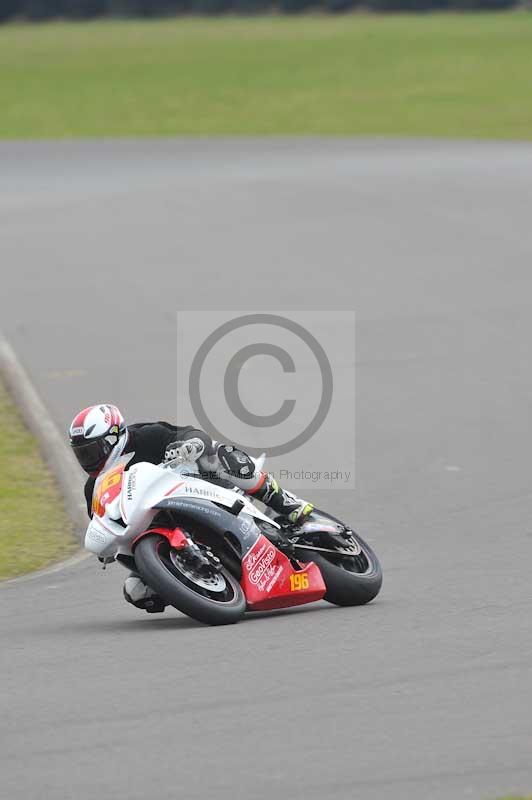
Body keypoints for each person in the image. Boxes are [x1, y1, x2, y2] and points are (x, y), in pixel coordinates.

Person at [69, 404, 313, 613]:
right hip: (156, 528)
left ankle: (285, 502)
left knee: (218, 456)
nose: (89, 460)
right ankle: (197, 586)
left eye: (92, 450)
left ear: (114, 437)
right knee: (136, 591)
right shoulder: (94, 488)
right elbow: (102, 521)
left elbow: (191, 434)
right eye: (82, 454)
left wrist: (190, 444)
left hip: (198, 488)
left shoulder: (144, 436)